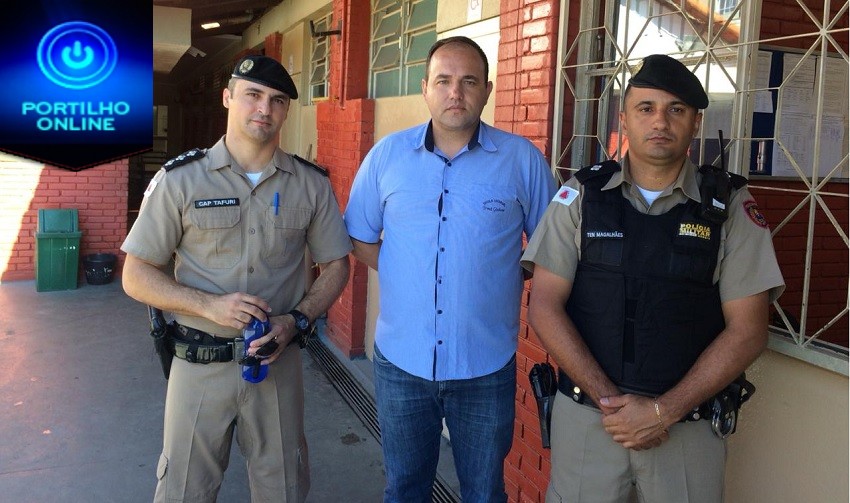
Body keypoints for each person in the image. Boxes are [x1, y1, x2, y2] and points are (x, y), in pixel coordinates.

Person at [522, 54, 785, 502]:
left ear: (696, 123)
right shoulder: (580, 196)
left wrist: (663, 412)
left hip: (686, 429)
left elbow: (748, 330)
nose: (660, 121)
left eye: (676, 110)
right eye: (646, 108)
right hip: (590, 420)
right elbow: (544, 306)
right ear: (624, 118)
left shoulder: (730, 208)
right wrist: (613, 405)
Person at [121, 55, 352, 503]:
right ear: (228, 98)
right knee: (183, 490)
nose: (264, 108)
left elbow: (338, 265)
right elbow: (136, 274)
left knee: (282, 490)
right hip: (197, 365)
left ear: (287, 111)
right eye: (253, 95)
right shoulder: (180, 181)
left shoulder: (311, 185)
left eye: (277, 100)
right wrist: (207, 305)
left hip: (277, 365)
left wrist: (298, 320)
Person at [343, 36, 557, 502]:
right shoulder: (386, 156)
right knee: (405, 489)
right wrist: (405, 270)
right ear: (425, 88)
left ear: (487, 90)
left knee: (484, 493)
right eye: (443, 81)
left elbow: (551, 248)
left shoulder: (522, 160)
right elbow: (359, 236)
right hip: (401, 361)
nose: (455, 93)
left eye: (468, 82)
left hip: (484, 365)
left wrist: (500, 273)